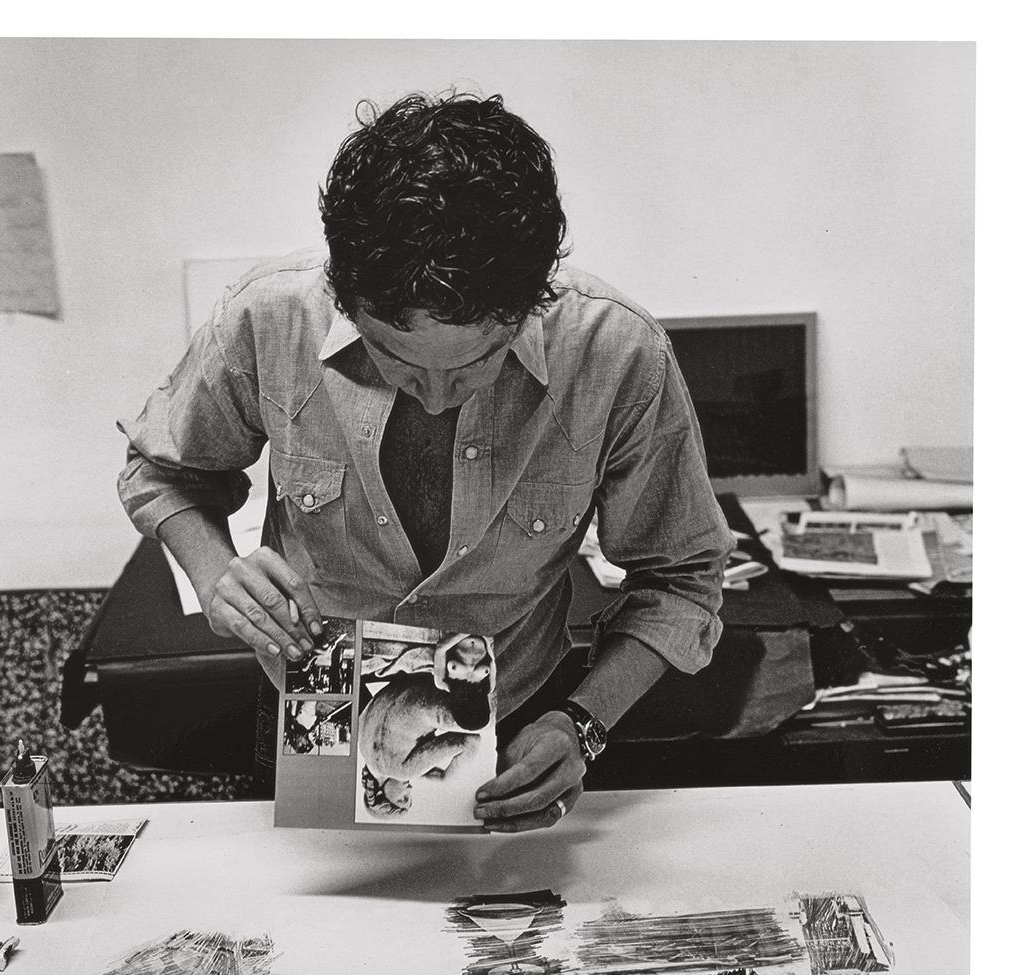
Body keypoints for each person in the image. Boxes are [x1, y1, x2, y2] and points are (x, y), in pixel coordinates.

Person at [117, 91, 734, 833]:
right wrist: (216, 574)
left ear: (531, 302)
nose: (439, 401)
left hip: (519, 716)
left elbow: (683, 581)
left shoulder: (616, 353)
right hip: (318, 710)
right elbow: (161, 471)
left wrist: (584, 723)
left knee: (505, 941)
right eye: (394, 359)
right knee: (315, 936)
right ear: (346, 298)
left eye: (477, 363)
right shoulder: (270, 318)